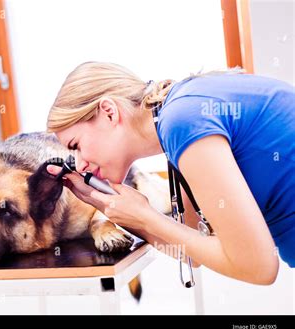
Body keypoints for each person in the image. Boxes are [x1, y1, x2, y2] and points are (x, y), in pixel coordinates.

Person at [45, 62, 295, 285]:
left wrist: (144, 215)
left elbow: (259, 267)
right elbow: (190, 253)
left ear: (109, 112)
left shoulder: (182, 122)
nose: (79, 165)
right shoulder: (175, 121)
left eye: (75, 145)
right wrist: (119, 211)